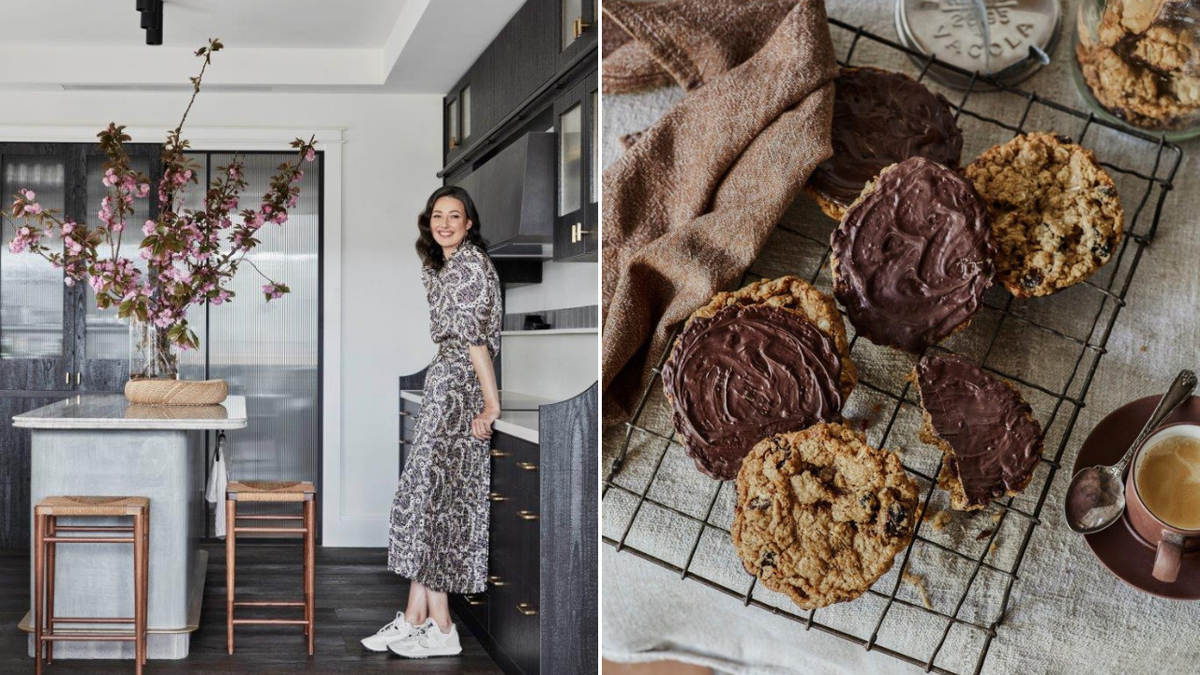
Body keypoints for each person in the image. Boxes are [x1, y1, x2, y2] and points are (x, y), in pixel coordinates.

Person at [361, 185, 502, 658]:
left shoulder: (469, 266)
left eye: (454, 215)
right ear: (429, 222)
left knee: (436, 503)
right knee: (424, 499)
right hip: (445, 385)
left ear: (468, 223)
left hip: (461, 390)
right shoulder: (441, 266)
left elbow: (475, 341)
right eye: (437, 215)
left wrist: (490, 405)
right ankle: (413, 618)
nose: (444, 222)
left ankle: (443, 630)